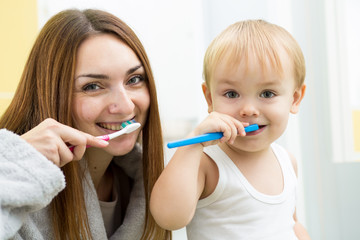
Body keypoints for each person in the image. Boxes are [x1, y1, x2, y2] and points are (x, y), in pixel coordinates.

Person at [0, 9, 171, 240]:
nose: (126, 106)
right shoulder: (14, 174)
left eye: (134, 80)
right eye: (93, 86)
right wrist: (16, 164)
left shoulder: (159, 188)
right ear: (50, 95)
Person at [150, 19, 311, 239]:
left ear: (295, 99)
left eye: (267, 94)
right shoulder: (206, 163)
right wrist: (194, 143)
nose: (248, 110)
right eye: (232, 94)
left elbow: (291, 225)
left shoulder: (287, 162)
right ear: (209, 97)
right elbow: (168, 217)